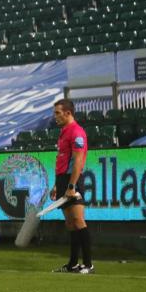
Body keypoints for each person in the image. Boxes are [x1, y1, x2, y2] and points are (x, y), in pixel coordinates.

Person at [51, 99, 93, 274]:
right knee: (69, 223)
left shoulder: (76, 132)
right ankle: (73, 264)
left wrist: (71, 185)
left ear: (68, 113)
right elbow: (62, 160)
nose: (55, 117)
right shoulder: (63, 132)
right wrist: (56, 185)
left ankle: (89, 264)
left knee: (78, 220)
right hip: (62, 180)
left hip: (72, 180)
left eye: (57, 113)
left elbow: (78, 161)